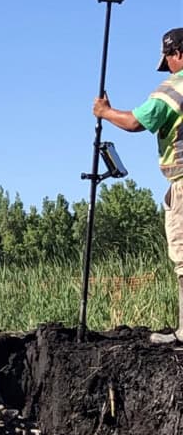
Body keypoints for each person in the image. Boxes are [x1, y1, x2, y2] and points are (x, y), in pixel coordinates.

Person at [93, 25, 183, 345]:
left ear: (177, 54)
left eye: (169, 59)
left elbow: (135, 122)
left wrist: (105, 112)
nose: (168, 66)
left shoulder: (175, 88)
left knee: (182, 256)